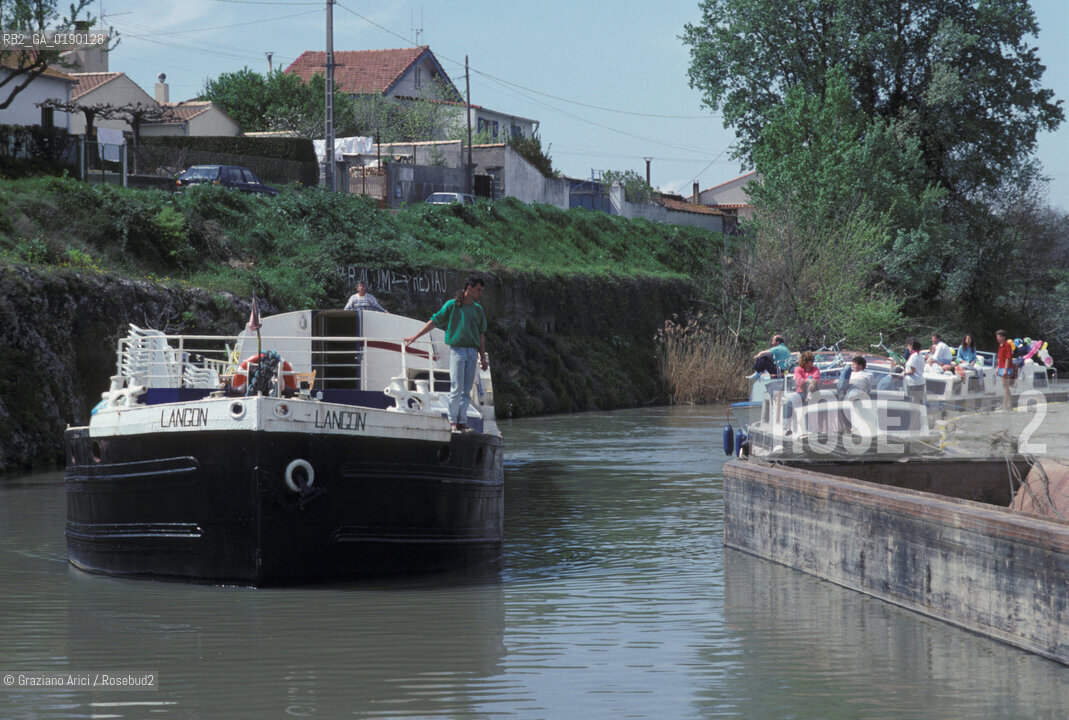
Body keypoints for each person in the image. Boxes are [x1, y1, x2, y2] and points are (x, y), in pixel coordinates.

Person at [404, 275, 488, 431]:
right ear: (470, 288)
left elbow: (481, 334)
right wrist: (415, 337)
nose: (480, 293)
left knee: (467, 389)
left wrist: (483, 357)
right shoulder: (452, 305)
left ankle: (462, 420)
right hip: (457, 350)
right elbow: (435, 320)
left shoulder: (478, 310)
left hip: (472, 352)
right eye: (478, 290)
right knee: (456, 388)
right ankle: (452, 421)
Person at [996, 329, 1015, 411]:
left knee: (1005, 386)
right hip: (1001, 367)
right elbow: (1000, 358)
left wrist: (1005, 370)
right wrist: (997, 368)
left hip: (1006, 368)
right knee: (1005, 386)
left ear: (1003, 337)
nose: (998, 338)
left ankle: (1005, 405)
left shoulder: (1007, 345)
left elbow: (1008, 358)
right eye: (997, 336)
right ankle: (1009, 405)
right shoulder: (1000, 345)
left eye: (999, 336)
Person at [902, 339, 926, 403]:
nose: (908, 348)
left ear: (911, 346)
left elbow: (912, 371)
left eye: (908, 346)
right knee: (918, 401)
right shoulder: (920, 356)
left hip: (913, 383)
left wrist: (904, 373)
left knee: (913, 402)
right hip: (919, 381)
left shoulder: (914, 356)